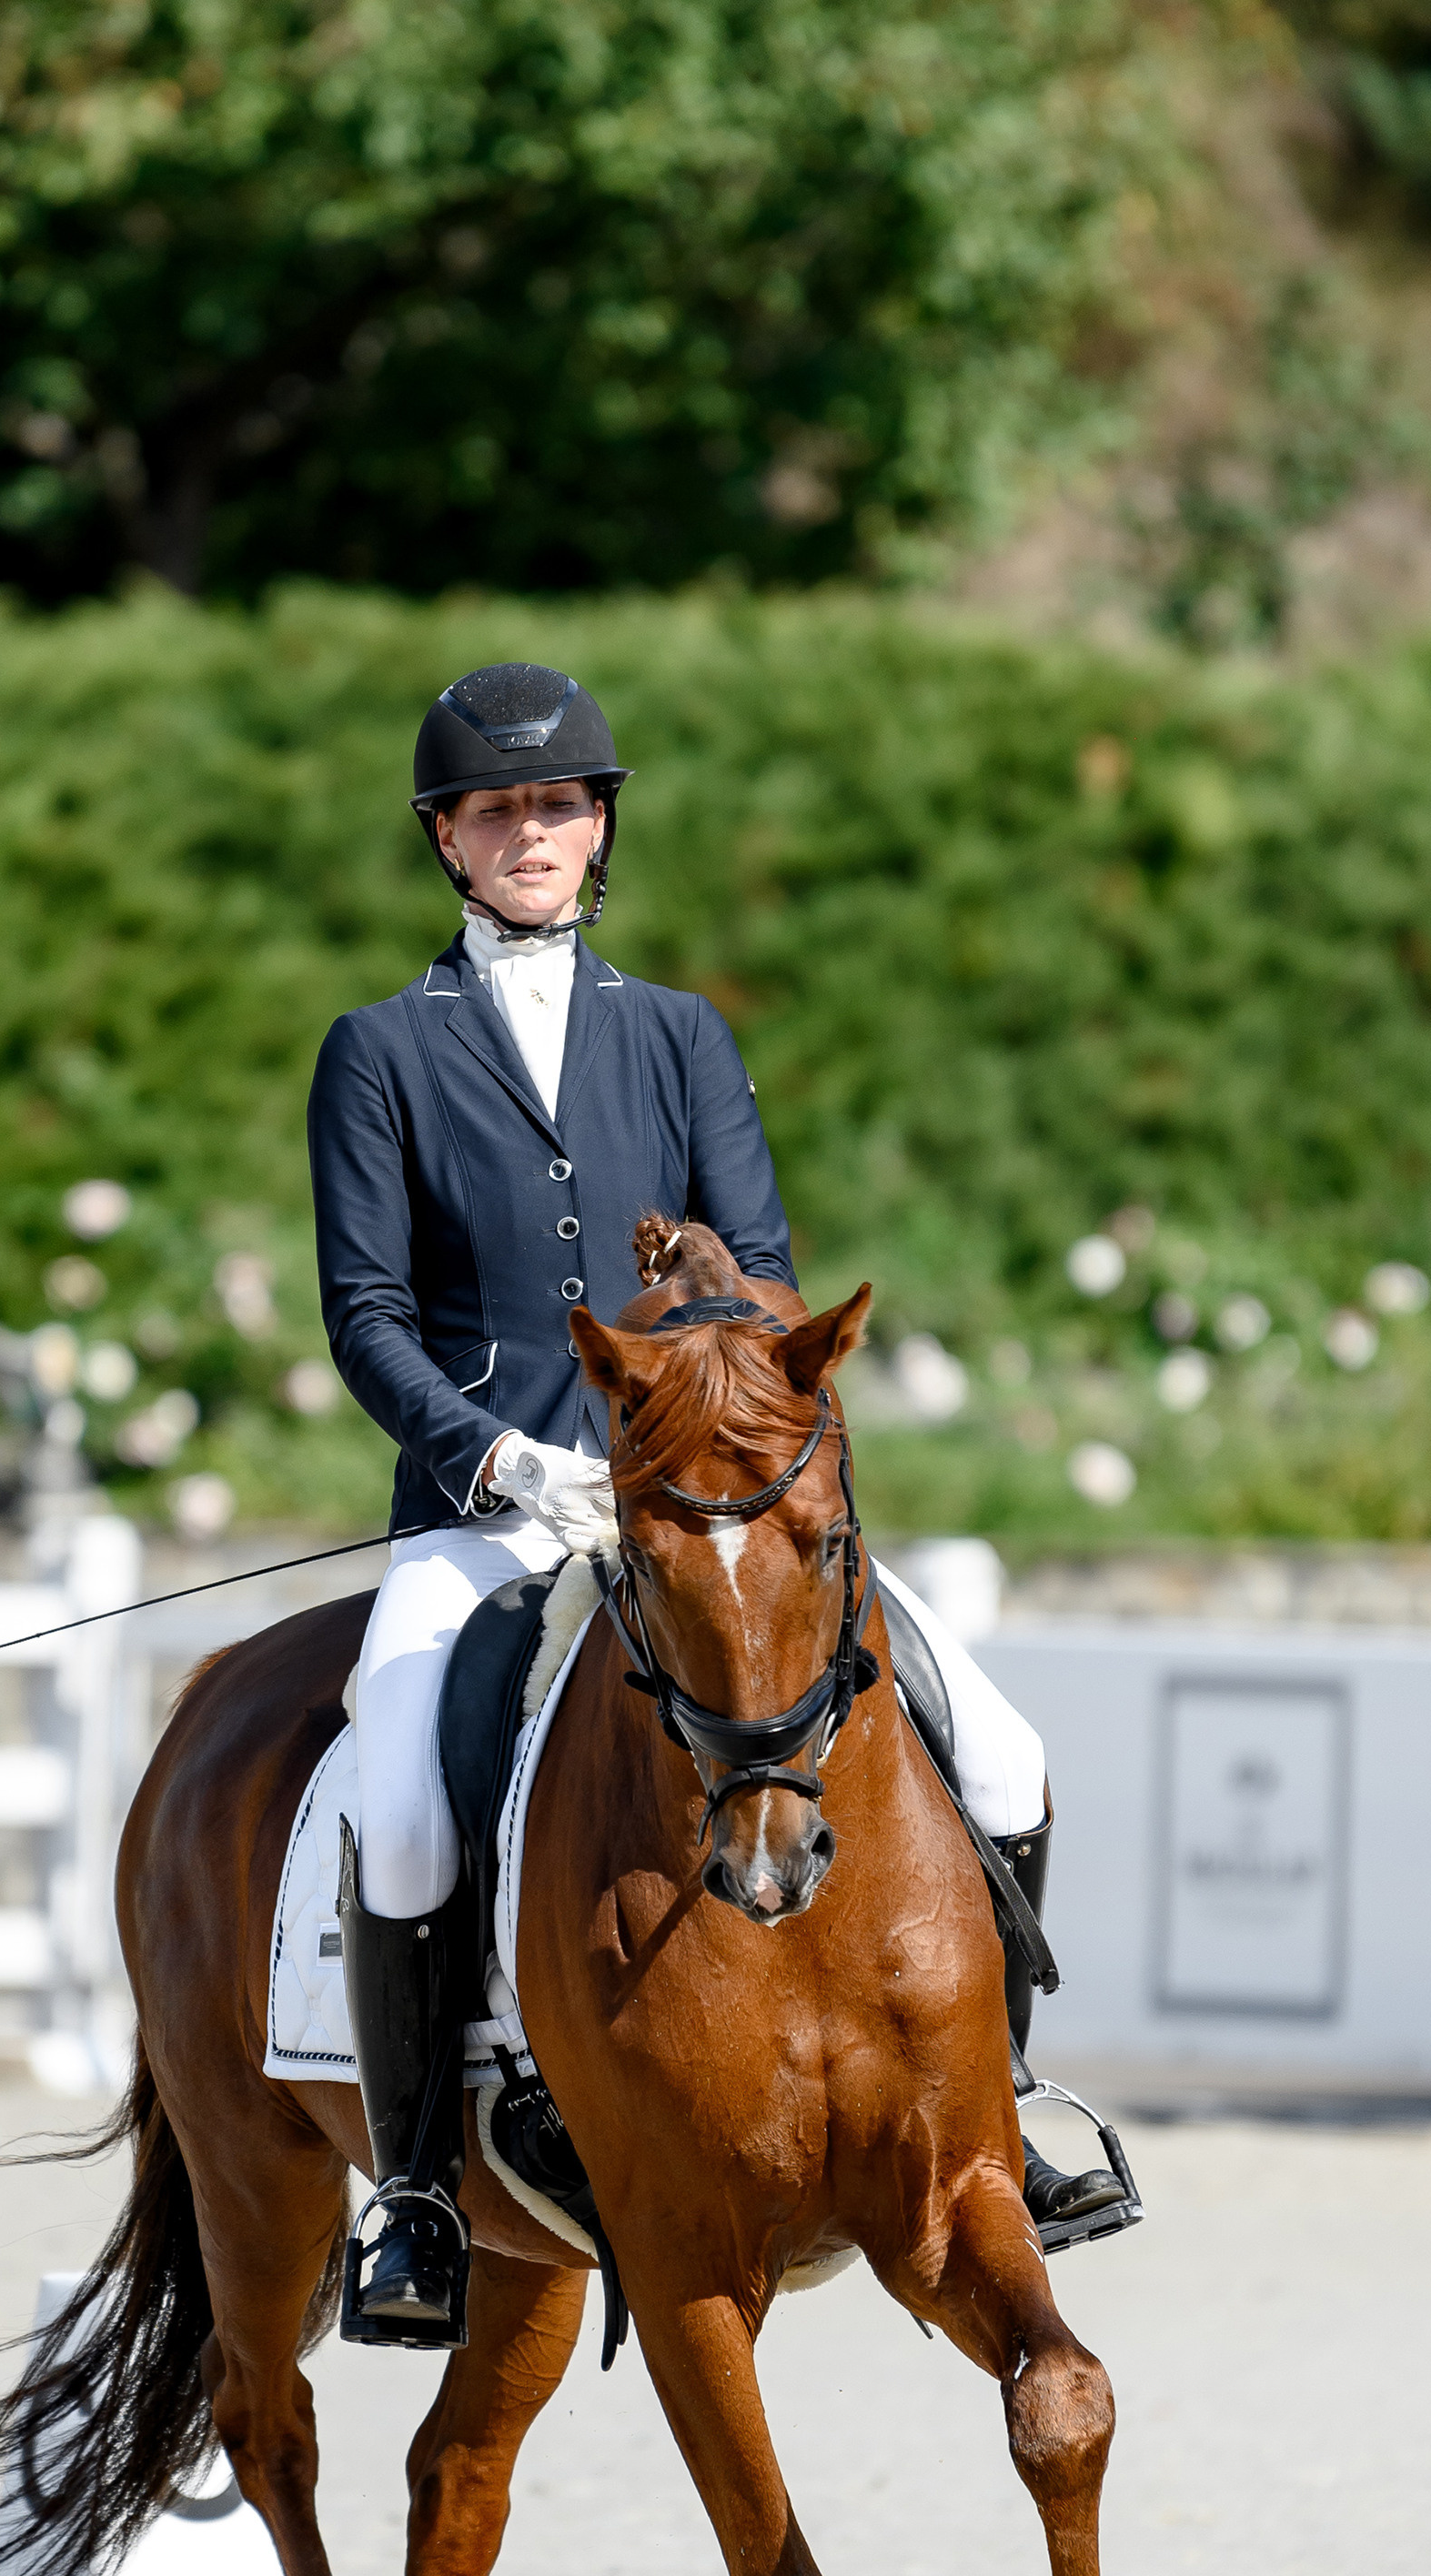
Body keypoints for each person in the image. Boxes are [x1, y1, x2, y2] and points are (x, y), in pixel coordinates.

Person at [306, 663, 1122, 2349]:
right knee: (398, 1805)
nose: (529, 833)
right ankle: (412, 2195)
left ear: (598, 827)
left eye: (557, 806)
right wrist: (493, 1458)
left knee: (1009, 1749)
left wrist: (716, 1289)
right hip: (493, 1512)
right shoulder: (380, 1052)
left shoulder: (678, 1034)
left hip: (708, 1506)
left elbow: (774, 1273)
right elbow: (365, 1312)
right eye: (495, 810)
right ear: (447, 839)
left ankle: (1001, 2113)